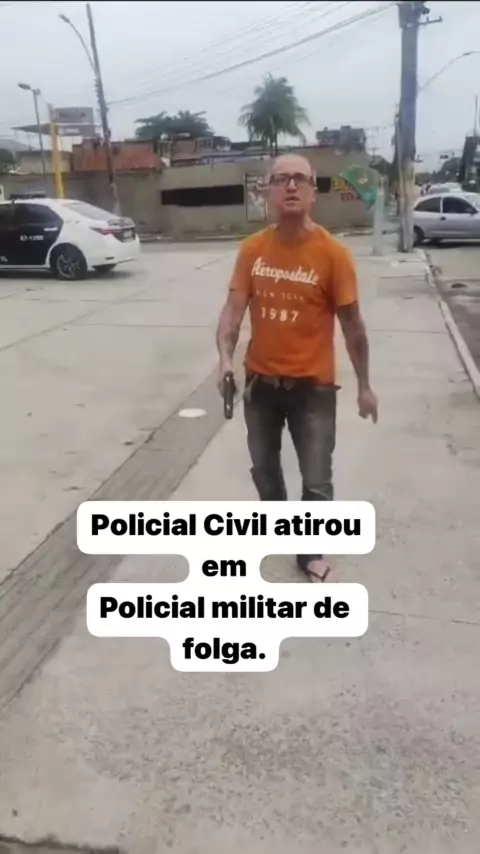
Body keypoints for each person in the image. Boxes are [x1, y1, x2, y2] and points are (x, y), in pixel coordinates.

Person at [215, 154, 378, 582]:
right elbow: (232, 311)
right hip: (261, 386)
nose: (291, 186)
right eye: (281, 179)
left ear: (313, 191)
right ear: (267, 190)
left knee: (317, 479)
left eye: (300, 179)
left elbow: (353, 327)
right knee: (264, 470)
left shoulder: (334, 254)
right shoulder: (253, 250)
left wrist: (364, 386)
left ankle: (309, 554)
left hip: (313, 389)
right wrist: (225, 360)